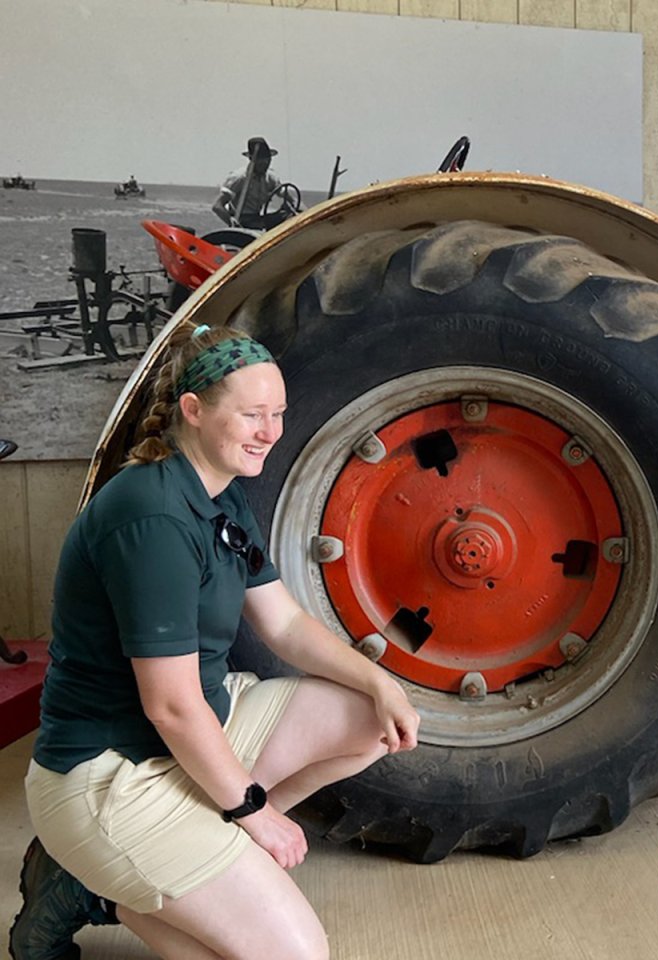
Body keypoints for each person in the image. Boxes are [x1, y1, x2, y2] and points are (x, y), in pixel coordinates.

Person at [10, 322, 420, 960]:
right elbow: (170, 705)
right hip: (112, 776)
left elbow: (283, 625)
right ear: (194, 410)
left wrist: (381, 682)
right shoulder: (151, 516)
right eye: (253, 414)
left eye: (278, 413)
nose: (271, 432)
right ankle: (105, 879)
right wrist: (255, 814)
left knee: (372, 719)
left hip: (196, 729)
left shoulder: (221, 493)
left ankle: (174, 858)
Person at [212, 137, 289, 230]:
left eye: (267, 159)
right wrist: (230, 220)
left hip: (258, 218)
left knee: (287, 215)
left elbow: (286, 195)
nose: (265, 163)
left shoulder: (270, 178)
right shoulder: (239, 177)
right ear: (252, 159)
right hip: (243, 221)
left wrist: (295, 207)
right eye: (261, 159)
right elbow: (217, 206)